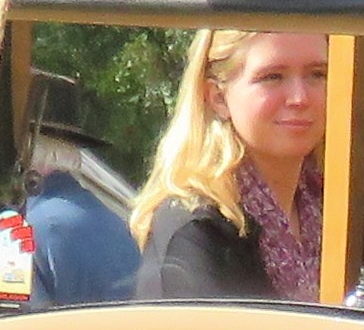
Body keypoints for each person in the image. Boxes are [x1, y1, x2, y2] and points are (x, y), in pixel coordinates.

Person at [134, 27, 334, 300]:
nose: (300, 98)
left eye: (317, 74)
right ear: (218, 97)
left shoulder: (331, 211)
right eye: (273, 77)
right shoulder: (197, 230)